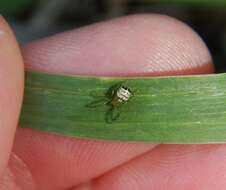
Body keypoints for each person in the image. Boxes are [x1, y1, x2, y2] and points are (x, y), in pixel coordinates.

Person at [0, 14, 221, 190]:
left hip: (121, 95)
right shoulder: (116, 100)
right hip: (121, 95)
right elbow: (119, 92)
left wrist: (119, 95)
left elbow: (117, 93)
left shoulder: (114, 100)